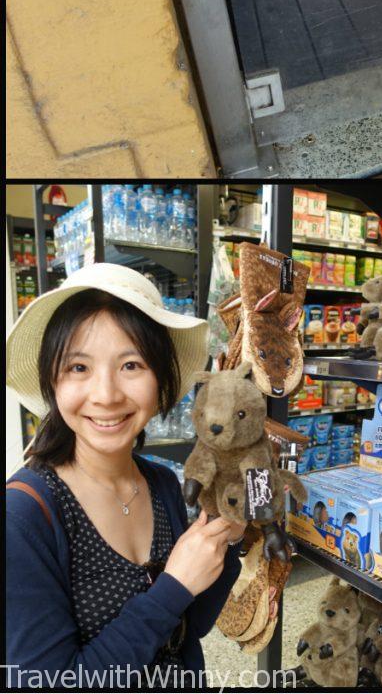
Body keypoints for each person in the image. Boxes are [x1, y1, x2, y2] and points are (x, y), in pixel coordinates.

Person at [5, 263, 246, 689]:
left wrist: (226, 540)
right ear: (52, 382)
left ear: (161, 380)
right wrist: (173, 584)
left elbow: (189, 627)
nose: (107, 395)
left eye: (131, 365)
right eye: (78, 368)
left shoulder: (162, 485)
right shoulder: (23, 517)